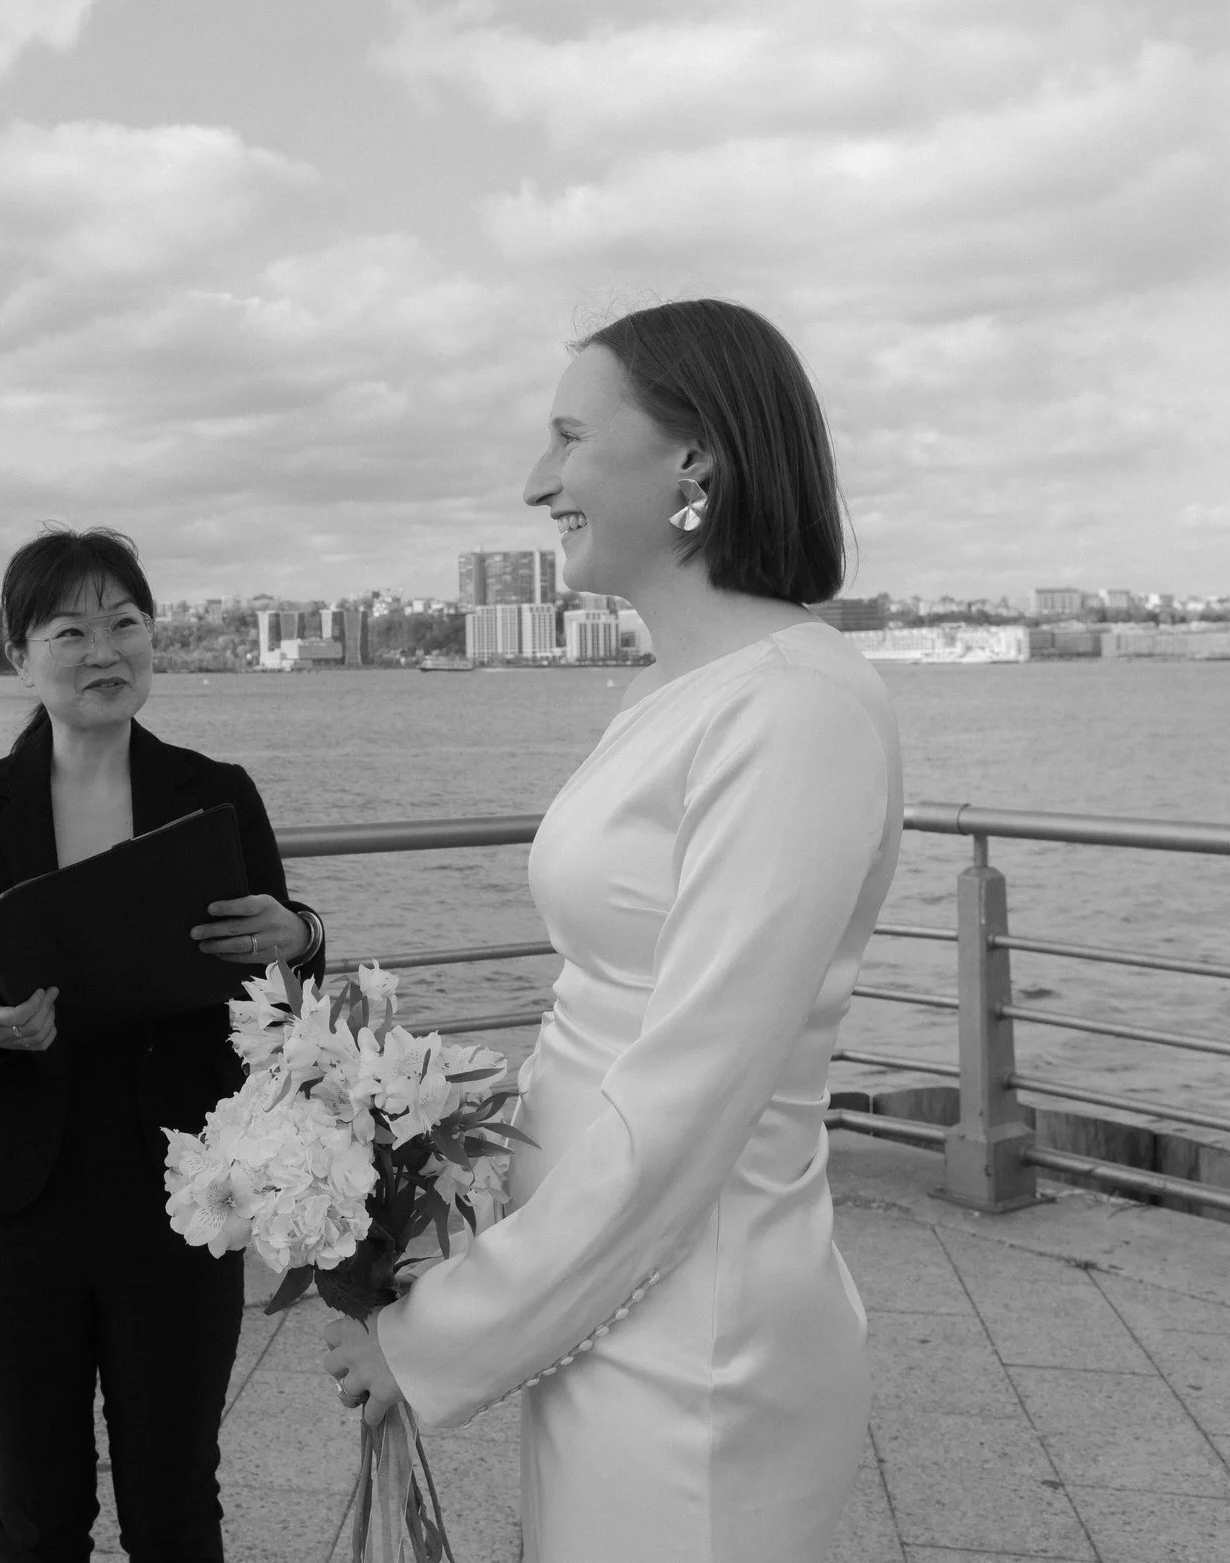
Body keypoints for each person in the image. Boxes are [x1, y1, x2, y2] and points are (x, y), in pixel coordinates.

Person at [322, 300, 902, 1562]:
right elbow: (603, 1014)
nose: (538, 483)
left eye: (569, 437)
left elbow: (687, 1105)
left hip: (699, 1331)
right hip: (608, 1304)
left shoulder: (793, 709)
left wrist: (433, 1337)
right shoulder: (668, 689)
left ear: (694, 458)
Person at [0, 527, 328, 1563]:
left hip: (180, 1192)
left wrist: (301, 932)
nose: (105, 649)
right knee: (37, 1509)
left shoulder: (214, 791)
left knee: (175, 1501)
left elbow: (276, 970)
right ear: (18, 656)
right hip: (12, 1202)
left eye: (125, 622)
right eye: (71, 627)